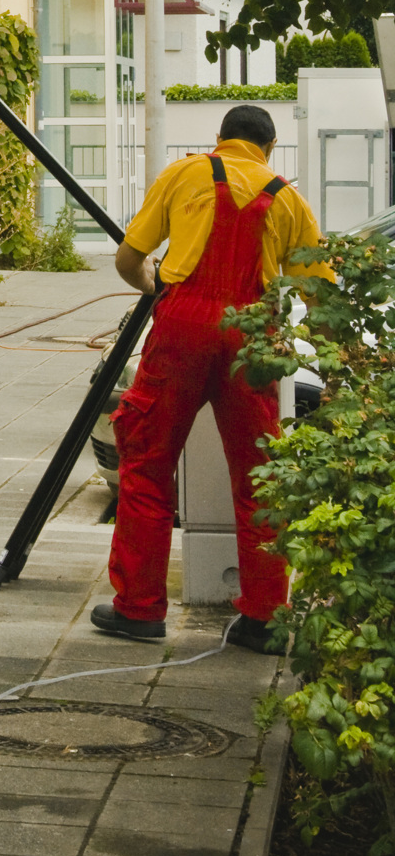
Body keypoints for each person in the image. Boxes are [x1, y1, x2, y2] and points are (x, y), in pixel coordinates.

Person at [90, 103, 328, 652]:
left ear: (218, 139)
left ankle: (140, 610)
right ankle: (265, 618)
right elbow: (321, 295)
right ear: (269, 149)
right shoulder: (288, 200)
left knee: (147, 461)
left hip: (183, 329)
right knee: (260, 473)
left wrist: (153, 286)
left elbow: (131, 258)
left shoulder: (185, 173)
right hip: (253, 334)